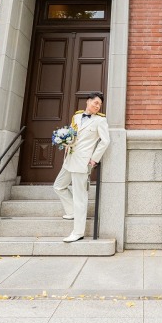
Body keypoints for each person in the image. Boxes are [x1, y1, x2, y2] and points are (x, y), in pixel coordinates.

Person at [53, 91, 110, 243]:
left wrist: (94, 159)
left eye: (99, 104)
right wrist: (65, 142)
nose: (97, 106)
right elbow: (72, 135)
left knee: (80, 198)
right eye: (95, 103)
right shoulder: (77, 116)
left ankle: (78, 232)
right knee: (58, 186)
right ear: (88, 101)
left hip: (82, 162)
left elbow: (105, 141)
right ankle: (71, 211)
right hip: (70, 158)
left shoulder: (100, 121)